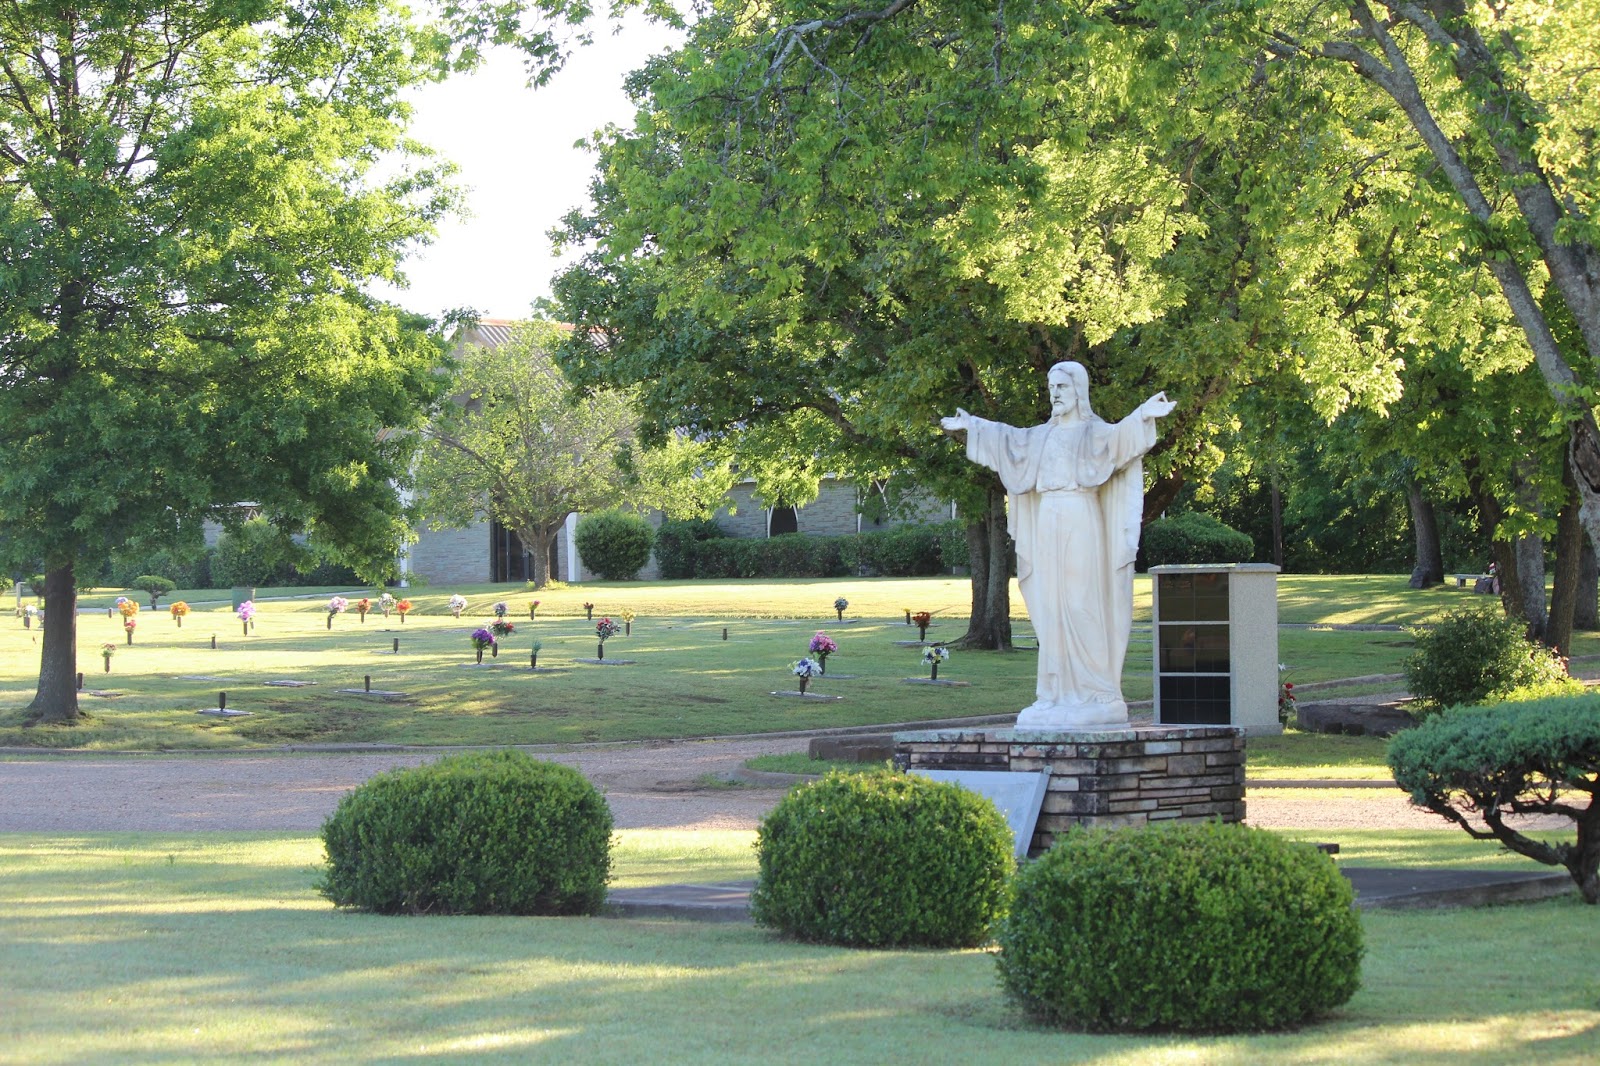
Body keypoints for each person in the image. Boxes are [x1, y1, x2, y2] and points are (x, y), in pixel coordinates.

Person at [941, 362, 1174, 729]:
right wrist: (972, 425)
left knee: (1081, 601)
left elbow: (1120, 439)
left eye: (1062, 387)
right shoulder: (1041, 436)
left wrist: (1144, 414)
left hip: (1080, 517)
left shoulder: (1093, 433)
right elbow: (1009, 440)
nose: (1055, 394)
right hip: (1047, 519)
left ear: (1079, 390)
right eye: (1051, 387)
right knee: (1051, 605)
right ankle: (1054, 693)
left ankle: (1100, 691)